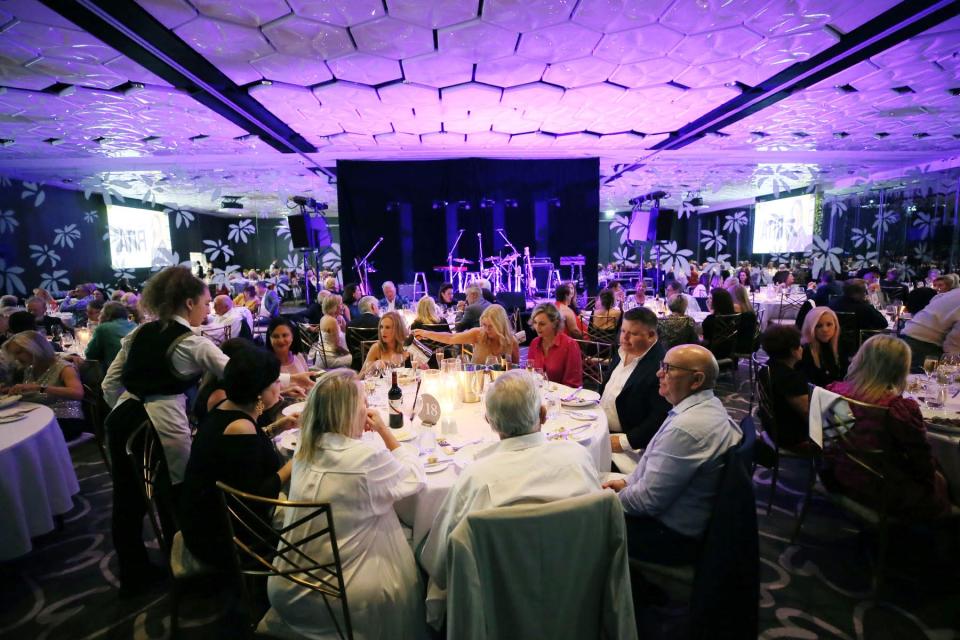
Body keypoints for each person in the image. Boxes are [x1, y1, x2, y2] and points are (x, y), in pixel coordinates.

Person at [101, 266, 313, 594]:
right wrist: (290, 379)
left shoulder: (139, 333)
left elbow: (109, 383)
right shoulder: (191, 343)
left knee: (127, 501)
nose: (207, 308)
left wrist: (134, 402)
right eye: (204, 302)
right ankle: (199, 559)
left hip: (122, 419)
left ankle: (135, 570)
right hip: (162, 423)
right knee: (178, 489)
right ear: (188, 303)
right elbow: (241, 372)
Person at [420, 371, 600, 614]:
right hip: (578, 600)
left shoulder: (475, 478)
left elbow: (438, 563)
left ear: (490, 423)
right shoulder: (578, 459)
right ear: (543, 415)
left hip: (496, 609)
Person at [267, 369, 426, 640]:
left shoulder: (307, 446)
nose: (367, 408)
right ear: (349, 410)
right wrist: (385, 432)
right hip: (336, 598)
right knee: (411, 542)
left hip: (286, 583)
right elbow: (414, 478)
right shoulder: (364, 459)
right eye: (363, 402)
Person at [602, 345, 742, 565]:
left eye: (667, 368)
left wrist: (606, 501)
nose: (659, 373)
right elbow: (655, 473)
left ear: (696, 380)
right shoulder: (708, 405)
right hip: (681, 515)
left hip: (670, 536)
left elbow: (647, 502)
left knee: (579, 519)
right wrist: (626, 481)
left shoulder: (686, 428)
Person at [180, 347, 294, 569]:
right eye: (275, 381)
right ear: (259, 392)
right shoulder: (239, 427)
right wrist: (296, 462)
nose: (280, 386)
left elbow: (246, 454)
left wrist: (275, 428)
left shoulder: (226, 406)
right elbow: (257, 496)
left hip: (211, 515)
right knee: (312, 513)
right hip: (223, 537)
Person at [822, 335, 950, 520]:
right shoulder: (897, 408)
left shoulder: (833, 390)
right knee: (943, 479)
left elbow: (826, 441)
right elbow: (922, 463)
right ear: (900, 369)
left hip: (838, 475)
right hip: (881, 491)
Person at [601, 307, 671, 454]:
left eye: (632, 333)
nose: (624, 338)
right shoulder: (622, 350)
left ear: (651, 335)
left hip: (631, 445)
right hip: (602, 428)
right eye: (623, 331)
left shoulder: (660, 365)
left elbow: (660, 417)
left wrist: (624, 442)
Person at [1, 331, 85, 439]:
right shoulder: (30, 368)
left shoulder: (64, 367)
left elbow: (78, 393)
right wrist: (9, 390)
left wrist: (38, 388)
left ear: (35, 348)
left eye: (19, 352)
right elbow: (31, 390)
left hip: (66, 420)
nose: (16, 358)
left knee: (18, 433)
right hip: (40, 416)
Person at [414, 304, 520, 366]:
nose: (486, 329)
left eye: (491, 326)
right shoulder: (478, 334)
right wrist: (425, 333)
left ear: (500, 325)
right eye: (484, 325)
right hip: (476, 384)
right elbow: (451, 338)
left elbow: (516, 371)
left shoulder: (512, 342)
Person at [759, 325, 810, 448]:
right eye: (799, 346)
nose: (802, 348)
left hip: (773, 427)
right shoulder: (790, 378)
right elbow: (808, 413)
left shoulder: (767, 368)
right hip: (792, 438)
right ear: (793, 351)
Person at [900, 286, 960, 369]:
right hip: (924, 345)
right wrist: (953, 365)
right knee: (931, 379)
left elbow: (936, 299)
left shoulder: (955, 292)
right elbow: (953, 343)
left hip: (908, 335)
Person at [526, 303, 582, 388]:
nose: (537, 327)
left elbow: (573, 383)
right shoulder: (534, 343)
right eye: (535, 322)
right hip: (539, 394)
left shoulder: (570, 345)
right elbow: (529, 374)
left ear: (555, 323)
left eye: (542, 324)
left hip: (563, 397)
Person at [798, 307, 845, 387]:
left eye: (829, 324)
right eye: (819, 326)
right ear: (810, 328)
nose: (825, 329)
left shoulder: (841, 345)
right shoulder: (803, 351)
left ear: (836, 326)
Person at [84, 301, 137, 370]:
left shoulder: (103, 328)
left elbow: (89, 354)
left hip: (114, 371)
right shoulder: (134, 325)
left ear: (104, 314)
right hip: (134, 368)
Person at [361, 310, 412, 375]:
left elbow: (425, 369)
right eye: (381, 327)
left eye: (387, 327)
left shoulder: (407, 346)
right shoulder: (377, 348)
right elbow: (359, 377)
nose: (383, 331)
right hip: (382, 384)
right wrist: (373, 366)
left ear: (397, 329)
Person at [310, 294, 353, 368]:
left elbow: (344, 336)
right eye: (341, 304)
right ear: (334, 307)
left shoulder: (325, 317)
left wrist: (343, 326)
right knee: (358, 358)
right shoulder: (332, 321)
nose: (343, 306)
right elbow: (337, 347)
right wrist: (350, 353)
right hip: (329, 360)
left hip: (324, 357)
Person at [701, 287, 737, 359]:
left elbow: (706, 338)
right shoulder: (736, 317)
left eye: (711, 298)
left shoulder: (710, 320)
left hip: (712, 354)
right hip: (731, 351)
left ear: (717, 302)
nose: (708, 300)